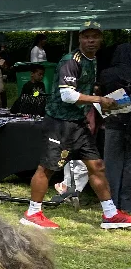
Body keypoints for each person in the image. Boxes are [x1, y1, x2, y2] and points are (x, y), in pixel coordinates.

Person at [21, 23, 131, 229]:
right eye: (86, 37)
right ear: (79, 39)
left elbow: (83, 88)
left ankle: (110, 214)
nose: (91, 41)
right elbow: (68, 95)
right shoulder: (70, 61)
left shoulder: (93, 60)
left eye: (95, 37)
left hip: (78, 124)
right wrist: (98, 99)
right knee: (47, 168)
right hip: (59, 123)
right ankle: (32, 213)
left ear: (101, 39)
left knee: (97, 166)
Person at [100, 43, 131, 212]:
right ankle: (127, 205)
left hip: (114, 122)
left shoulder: (107, 74)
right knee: (129, 166)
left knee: (112, 164)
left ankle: (110, 203)